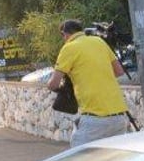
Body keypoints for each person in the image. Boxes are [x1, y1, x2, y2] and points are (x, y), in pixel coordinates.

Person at [47, 19, 129, 147]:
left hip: (95, 117)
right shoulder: (99, 41)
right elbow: (119, 71)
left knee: (78, 158)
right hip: (119, 117)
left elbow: (53, 84)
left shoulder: (69, 48)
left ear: (65, 34)